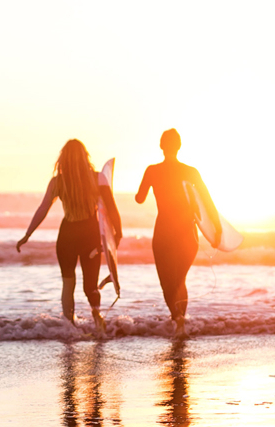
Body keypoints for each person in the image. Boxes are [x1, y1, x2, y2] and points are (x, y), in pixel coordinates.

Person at [17, 139, 122, 336]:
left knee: (68, 283)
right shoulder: (97, 178)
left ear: (62, 159)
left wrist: (27, 234)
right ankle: (97, 317)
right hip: (90, 237)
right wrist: (118, 235)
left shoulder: (58, 182)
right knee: (90, 285)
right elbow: (112, 209)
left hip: (67, 237)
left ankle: (69, 327)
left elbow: (43, 209)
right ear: (85, 157)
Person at [135, 129, 219, 337]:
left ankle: (177, 319)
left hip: (163, 231)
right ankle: (180, 321)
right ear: (179, 146)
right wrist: (216, 230)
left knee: (167, 281)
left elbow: (139, 198)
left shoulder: (152, 171)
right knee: (180, 279)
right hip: (187, 233)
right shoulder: (191, 171)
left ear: (162, 146)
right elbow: (208, 202)